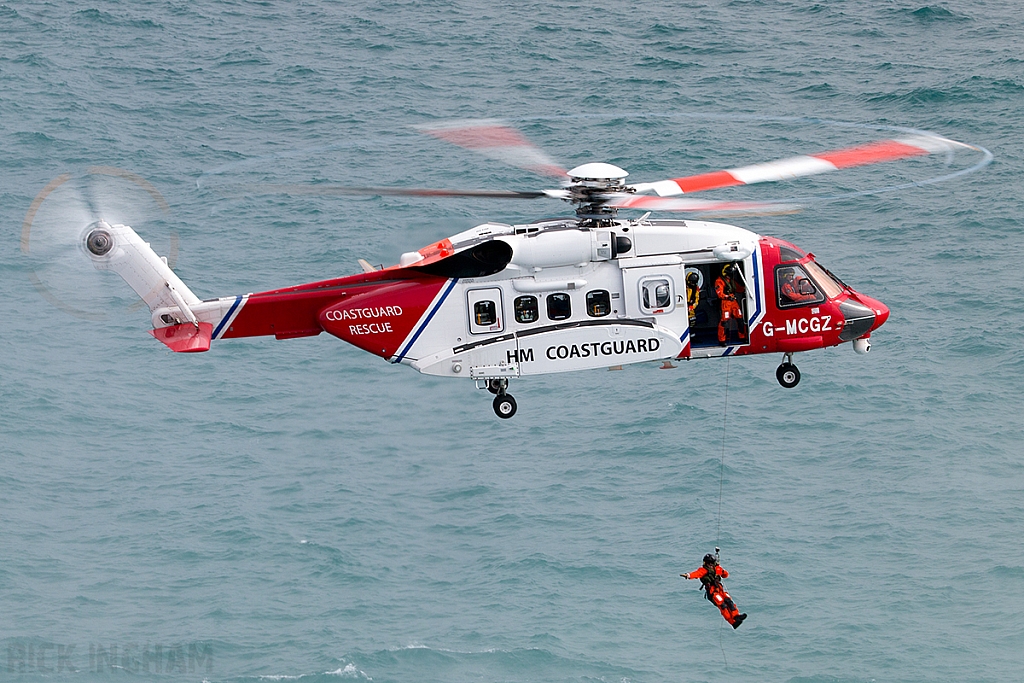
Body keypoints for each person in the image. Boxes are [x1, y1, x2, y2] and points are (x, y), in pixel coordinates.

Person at [681, 553, 747, 629]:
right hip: (712, 592)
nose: (711, 565)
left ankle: (736, 616)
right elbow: (696, 574)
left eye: (712, 563)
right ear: (706, 563)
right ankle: (733, 622)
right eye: (709, 563)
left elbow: (726, 575)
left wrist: (721, 571)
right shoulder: (703, 570)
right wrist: (688, 575)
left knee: (729, 601)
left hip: (720, 589)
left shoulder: (717, 569)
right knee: (723, 605)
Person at [714, 264, 746, 344]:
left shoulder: (731, 280)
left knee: (740, 319)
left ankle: (742, 336)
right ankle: (722, 340)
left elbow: (738, 288)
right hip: (725, 303)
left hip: (733, 302)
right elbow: (719, 293)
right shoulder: (719, 281)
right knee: (724, 322)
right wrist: (727, 296)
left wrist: (746, 288)